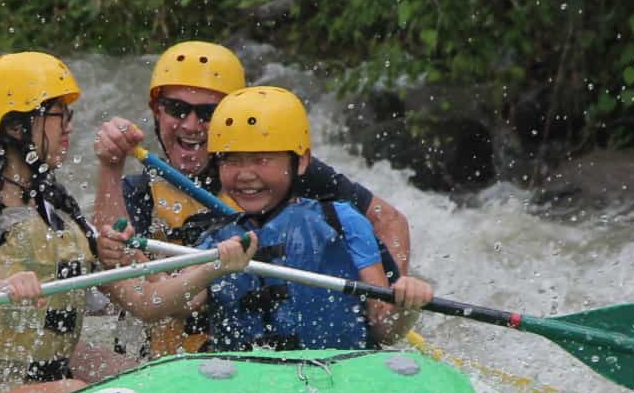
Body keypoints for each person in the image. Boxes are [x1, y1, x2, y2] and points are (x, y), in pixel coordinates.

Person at [0, 52, 249, 393]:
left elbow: (146, 302)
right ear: (15, 127)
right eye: (59, 115)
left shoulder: (60, 213)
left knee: (145, 379)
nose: (69, 128)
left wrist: (216, 265)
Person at [89, 41, 411, 356]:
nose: (190, 124)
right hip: (193, 359)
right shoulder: (148, 195)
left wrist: (394, 295)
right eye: (177, 109)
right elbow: (129, 275)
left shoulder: (298, 172)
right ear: (156, 112)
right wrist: (110, 166)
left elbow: (387, 222)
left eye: (207, 113)